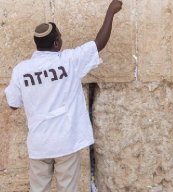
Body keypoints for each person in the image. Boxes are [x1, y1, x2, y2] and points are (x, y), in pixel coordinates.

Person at [4, 0, 122, 191]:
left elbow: (13, 104)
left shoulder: (21, 70)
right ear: (57, 43)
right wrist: (110, 12)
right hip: (66, 142)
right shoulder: (68, 61)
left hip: (39, 144)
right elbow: (98, 44)